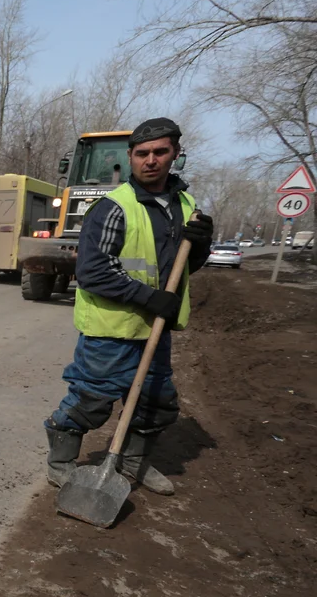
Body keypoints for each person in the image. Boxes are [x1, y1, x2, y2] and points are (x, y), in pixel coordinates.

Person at [44, 117, 214, 495]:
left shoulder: (185, 206)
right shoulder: (113, 208)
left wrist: (201, 244)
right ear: (131, 157)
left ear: (175, 155)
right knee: (91, 400)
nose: (150, 160)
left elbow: (184, 268)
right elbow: (92, 272)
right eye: (142, 153)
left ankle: (134, 463)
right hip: (112, 329)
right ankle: (60, 463)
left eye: (160, 152)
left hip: (156, 327)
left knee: (156, 401)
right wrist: (151, 298)